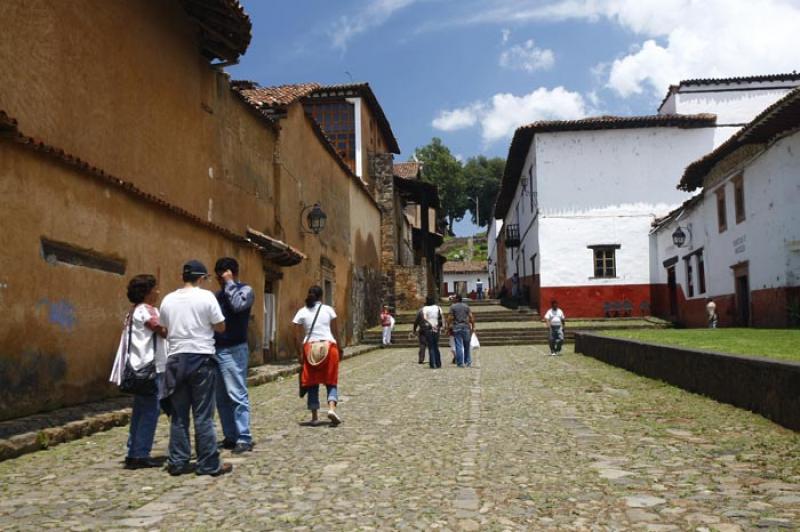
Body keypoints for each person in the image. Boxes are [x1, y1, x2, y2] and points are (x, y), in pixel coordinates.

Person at [160, 260, 232, 477]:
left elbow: (164, 329)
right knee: (203, 415)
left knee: (179, 415)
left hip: (175, 359)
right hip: (201, 357)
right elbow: (220, 325)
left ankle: (178, 461)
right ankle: (208, 463)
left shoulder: (168, 299)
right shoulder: (206, 297)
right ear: (201, 278)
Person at [110, 274, 167, 469]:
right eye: (155, 289)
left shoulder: (133, 311)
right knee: (150, 411)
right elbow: (161, 330)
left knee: (140, 410)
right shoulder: (145, 310)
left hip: (139, 366)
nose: (158, 292)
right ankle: (140, 453)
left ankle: (134, 450)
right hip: (149, 367)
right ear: (147, 292)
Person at [212, 257, 255, 454]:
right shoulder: (216, 296)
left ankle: (244, 437)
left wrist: (230, 284)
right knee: (221, 397)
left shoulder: (245, 290)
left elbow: (238, 305)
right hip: (216, 349)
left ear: (231, 273)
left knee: (237, 394)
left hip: (234, 349)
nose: (219, 281)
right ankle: (230, 435)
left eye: (222, 276)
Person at [293, 286, 342, 426]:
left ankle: (314, 417)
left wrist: (299, 353)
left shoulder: (302, 311)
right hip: (329, 347)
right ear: (322, 296)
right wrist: (340, 348)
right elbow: (335, 330)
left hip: (310, 349)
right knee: (331, 381)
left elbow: (295, 335)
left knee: (312, 382)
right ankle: (331, 409)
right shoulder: (328, 310)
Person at [415, 296, 444, 369]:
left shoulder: (425, 308)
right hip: (437, 329)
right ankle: (438, 363)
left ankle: (433, 364)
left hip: (428, 329)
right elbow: (441, 318)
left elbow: (425, 318)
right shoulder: (438, 308)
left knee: (431, 347)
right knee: (436, 346)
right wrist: (440, 327)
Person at [447, 294, 475, 367]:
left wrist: (448, 327)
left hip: (457, 327)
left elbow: (450, 318)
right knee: (467, 345)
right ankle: (468, 362)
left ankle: (460, 363)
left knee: (458, 345)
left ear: (456, 299)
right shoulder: (466, 306)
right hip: (466, 327)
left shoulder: (453, 307)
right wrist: (473, 327)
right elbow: (471, 317)